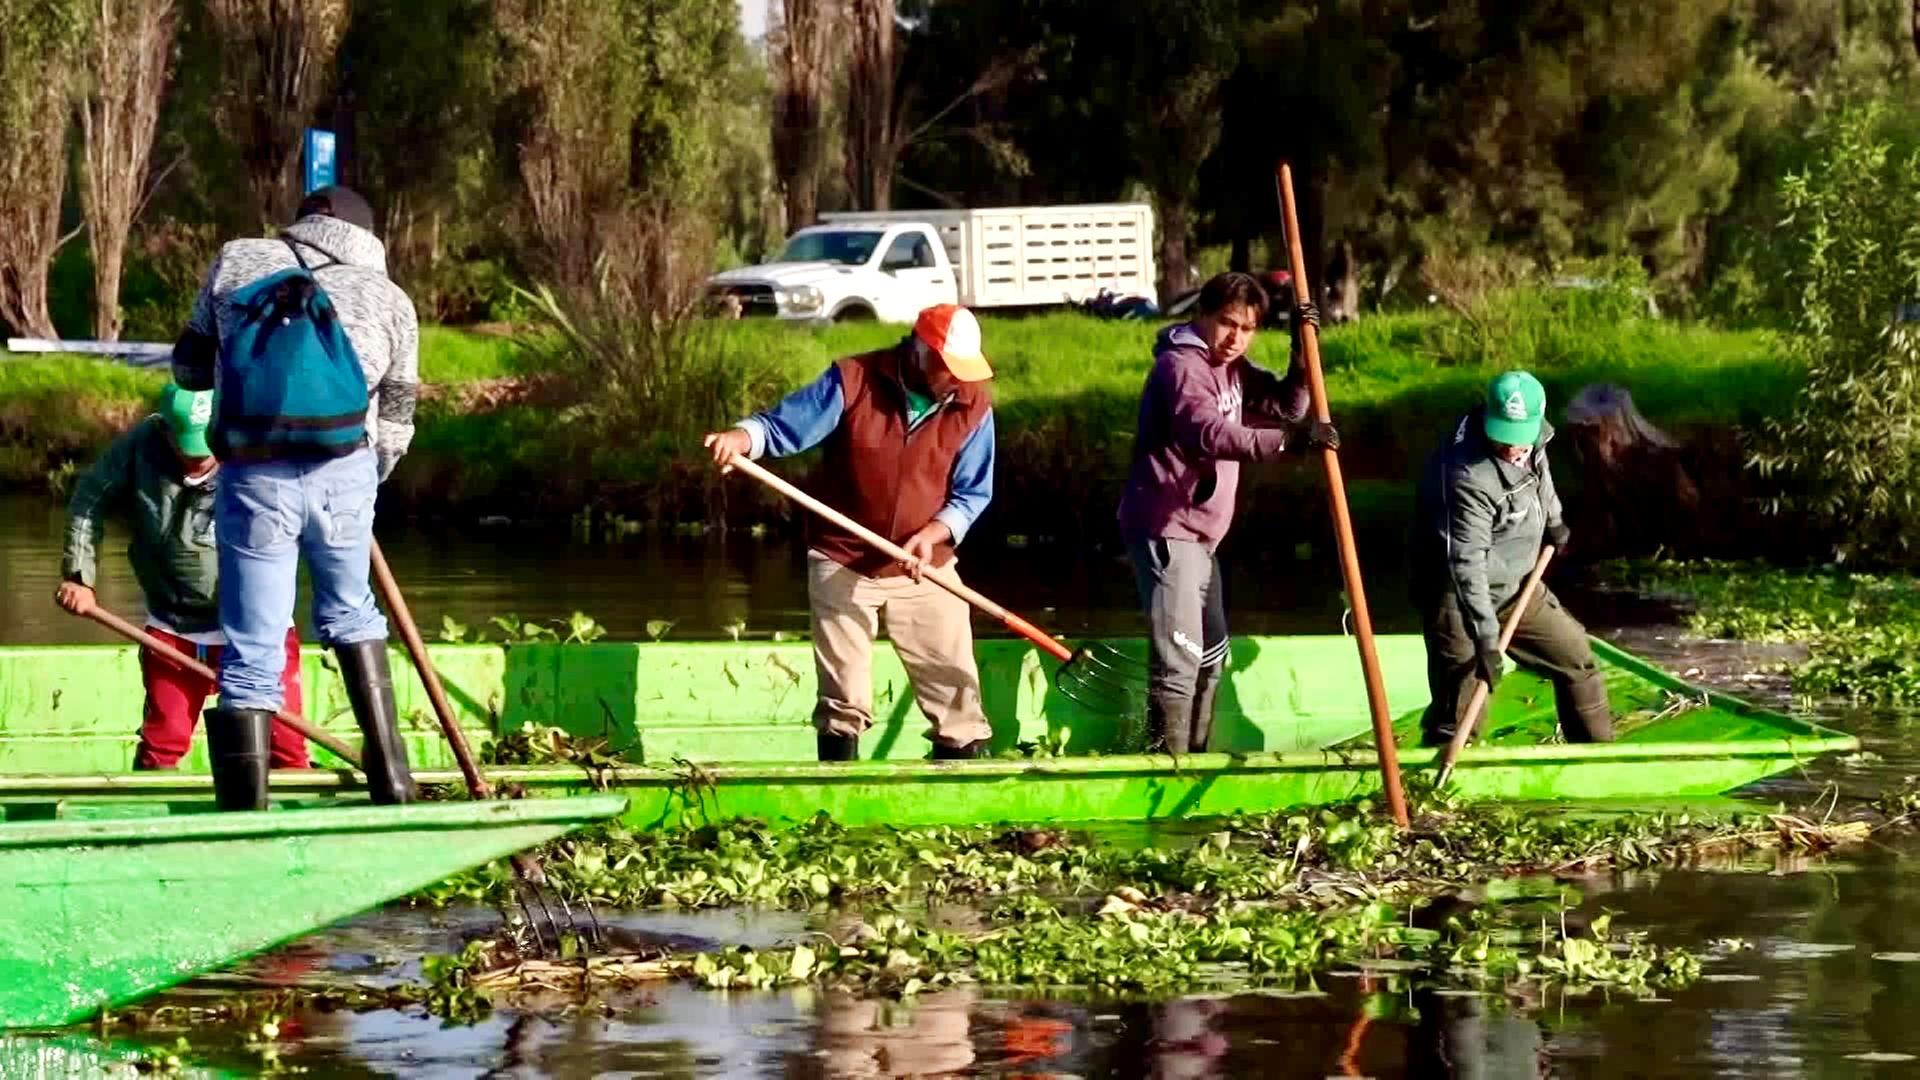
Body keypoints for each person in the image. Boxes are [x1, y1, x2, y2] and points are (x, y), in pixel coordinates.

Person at [171, 184, 419, 809]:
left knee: (254, 644)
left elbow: (188, 367)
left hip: (254, 474)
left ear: (301, 222)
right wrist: (367, 479)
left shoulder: (238, 259)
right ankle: (392, 782)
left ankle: (243, 819)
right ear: (368, 237)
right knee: (352, 614)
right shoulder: (392, 299)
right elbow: (397, 417)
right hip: (346, 472)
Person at [703, 303, 996, 762]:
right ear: (922, 353)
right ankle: (839, 786)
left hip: (926, 567)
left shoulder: (973, 404)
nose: (956, 380)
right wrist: (741, 439)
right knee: (845, 696)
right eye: (948, 369)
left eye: (963, 370)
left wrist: (934, 534)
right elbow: (784, 426)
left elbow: (972, 495)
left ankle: (957, 778)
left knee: (956, 692)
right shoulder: (854, 378)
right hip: (843, 558)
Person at [1117, 271, 1338, 754]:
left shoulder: (1233, 368)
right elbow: (1207, 432)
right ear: (1203, 315)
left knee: (1212, 655)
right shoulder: (1181, 367)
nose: (1236, 338)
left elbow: (1285, 407)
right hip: (1167, 527)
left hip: (1203, 536)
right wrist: (1289, 444)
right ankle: (1166, 763)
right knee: (1180, 660)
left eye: (1248, 328)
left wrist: (1302, 358)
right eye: (1227, 323)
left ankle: (1192, 755)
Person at [56, 383, 311, 771]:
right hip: (173, 628)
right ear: (165, 429)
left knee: (286, 747)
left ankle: (294, 820)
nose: (195, 459)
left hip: (255, 631)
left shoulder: (260, 454)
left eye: (205, 446)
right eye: (185, 445)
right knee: (163, 744)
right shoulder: (141, 445)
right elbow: (90, 497)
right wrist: (79, 575)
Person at [1411, 370, 1614, 748]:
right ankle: (1437, 788)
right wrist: (1487, 640)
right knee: (1462, 704)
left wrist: (1554, 520)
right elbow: (1467, 563)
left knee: (1577, 660)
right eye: (1502, 437)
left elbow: (1539, 472)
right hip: (1458, 597)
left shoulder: (1532, 434)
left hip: (1516, 584)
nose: (1511, 448)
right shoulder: (1467, 475)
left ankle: (1595, 758)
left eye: (1518, 438)